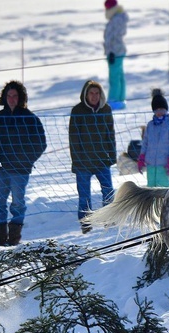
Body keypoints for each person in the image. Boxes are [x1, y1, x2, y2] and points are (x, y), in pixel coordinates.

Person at [0, 80, 47, 247]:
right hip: (2, 167)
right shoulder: (0, 117)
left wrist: (26, 160)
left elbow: (41, 143)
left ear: (21, 97)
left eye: (15, 96)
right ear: (4, 97)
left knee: (17, 203)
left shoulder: (30, 118)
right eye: (9, 96)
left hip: (20, 170)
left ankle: (14, 239)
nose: (12, 99)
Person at [68, 80, 116, 234]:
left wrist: (112, 156)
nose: (94, 96)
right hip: (83, 162)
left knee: (108, 191)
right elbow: (73, 138)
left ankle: (109, 220)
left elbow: (110, 134)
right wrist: (77, 160)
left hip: (102, 159)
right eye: (91, 93)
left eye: (97, 93)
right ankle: (86, 224)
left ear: (101, 94)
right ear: (85, 95)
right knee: (84, 196)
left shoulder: (105, 109)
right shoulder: (78, 111)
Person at [137, 90, 169, 188]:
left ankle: (163, 204)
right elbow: (145, 142)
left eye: (162, 109)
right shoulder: (150, 125)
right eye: (156, 110)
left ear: (166, 109)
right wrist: (142, 157)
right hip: (151, 164)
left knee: (162, 190)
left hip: (164, 165)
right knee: (150, 189)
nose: (159, 112)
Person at [104, 0, 129, 110]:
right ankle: (120, 98)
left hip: (115, 52)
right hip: (116, 51)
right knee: (119, 75)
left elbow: (115, 37)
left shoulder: (116, 19)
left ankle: (114, 99)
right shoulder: (117, 18)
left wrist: (112, 52)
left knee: (114, 76)